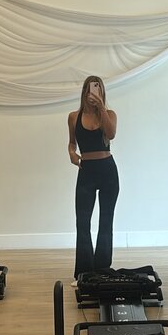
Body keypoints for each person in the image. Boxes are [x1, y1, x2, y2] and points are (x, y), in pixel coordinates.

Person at [68, 75, 119, 283]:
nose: (93, 93)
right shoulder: (73, 117)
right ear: (84, 92)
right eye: (90, 89)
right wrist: (71, 153)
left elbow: (111, 134)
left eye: (97, 89)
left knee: (106, 220)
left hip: (108, 171)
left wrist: (101, 108)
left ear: (102, 92)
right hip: (86, 171)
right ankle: (84, 273)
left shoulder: (110, 114)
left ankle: (102, 270)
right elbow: (72, 143)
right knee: (82, 222)